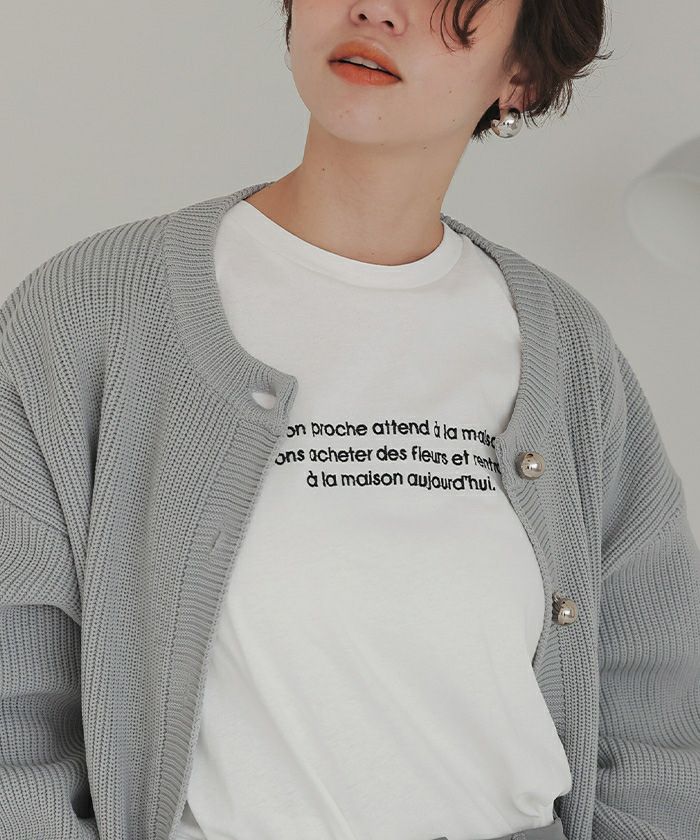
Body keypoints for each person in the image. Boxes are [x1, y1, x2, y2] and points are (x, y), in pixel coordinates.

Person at [1, 2, 698, 840]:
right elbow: (13, 711)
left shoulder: (567, 349)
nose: (375, 8)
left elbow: (657, 707)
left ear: (522, 73)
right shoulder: (91, 313)